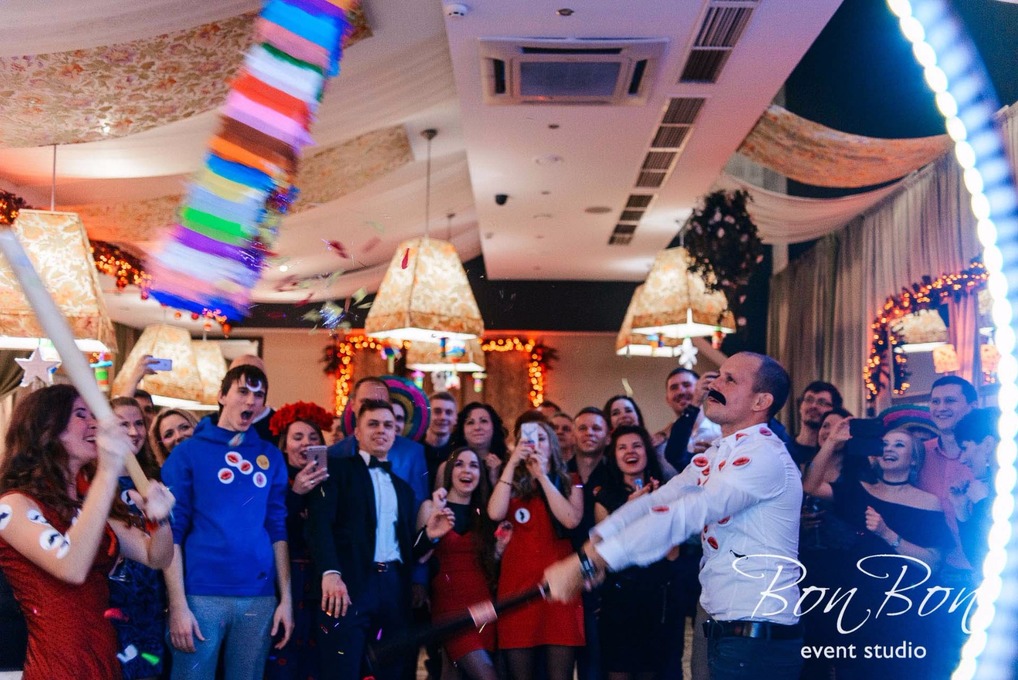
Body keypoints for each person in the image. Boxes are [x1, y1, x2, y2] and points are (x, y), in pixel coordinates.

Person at [543, 352, 803, 680]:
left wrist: (590, 561)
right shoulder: (719, 451)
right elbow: (660, 500)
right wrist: (596, 543)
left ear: (760, 401)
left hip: (757, 634)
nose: (715, 384)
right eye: (718, 375)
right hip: (727, 627)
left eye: (730, 380)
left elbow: (684, 514)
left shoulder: (763, 456)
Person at [0, 385, 175, 679]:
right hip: (58, 666)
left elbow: (155, 556)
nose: (96, 424)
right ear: (46, 429)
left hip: (104, 659)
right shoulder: (12, 505)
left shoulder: (88, 505)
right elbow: (71, 567)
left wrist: (160, 519)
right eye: (81, 415)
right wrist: (107, 471)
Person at [162, 365, 293, 679]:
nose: (250, 401)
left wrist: (286, 599)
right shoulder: (187, 453)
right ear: (222, 396)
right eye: (242, 391)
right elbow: (171, 533)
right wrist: (177, 604)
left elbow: (277, 528)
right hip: (200, 596)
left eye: (258, 395)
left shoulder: (271, 456)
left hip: (259, 597)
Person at [307, 400, 448, 680]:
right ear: (357, 432)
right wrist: (330, 572)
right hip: (349, 584)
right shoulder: (335, 471)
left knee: (394, 670)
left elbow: (404, 549)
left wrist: (429, 536)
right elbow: (318, 525)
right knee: (342, 667)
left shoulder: (404, 489)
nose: (381, 430)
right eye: (373, 424)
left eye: (388, 425)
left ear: (395, 433)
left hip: (394, 587)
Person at [804, 424, 954, 677]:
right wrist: (831, 442)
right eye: (884, 444)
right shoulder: (859, 490)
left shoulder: (929, 503)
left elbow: (933, 563)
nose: (889, 449)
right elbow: (810, 485)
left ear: (914, 459)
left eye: (899, 445)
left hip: (906, 609)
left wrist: (887, 534)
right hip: (859, 606)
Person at [489, 420, 584, 680]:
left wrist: (542, 476)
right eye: (528, 438)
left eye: (542, 438)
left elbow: (571, 520)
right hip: (517, 589)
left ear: (552, 445)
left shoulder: (572, 481)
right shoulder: (510, 483)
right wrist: (512, 463)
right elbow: (495, 513)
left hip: (558, 589)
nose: (535, 444)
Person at [593, 425, 675, 680]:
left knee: (651, 671)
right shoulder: (605, 497)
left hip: (655, 596)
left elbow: (672, 553)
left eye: (637, 446)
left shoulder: (665, 492)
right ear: (614, 456)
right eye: (622, 447)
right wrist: (629, 510)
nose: (630, 452)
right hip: (618, 598)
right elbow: (604, 552)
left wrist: (655, 510)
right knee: (618, 670)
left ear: (647, 452)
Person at [417, 448, 501, 680]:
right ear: (449, 472)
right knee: (487, 675)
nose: (467, 470)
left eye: (473, 465)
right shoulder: (431, 507)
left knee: (452, 674)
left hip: (484, 607)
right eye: (459, 464)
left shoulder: (485, 512)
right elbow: (419, 557)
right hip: (450, 609)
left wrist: (500, 550)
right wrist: (434, 523)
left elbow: (489, 564)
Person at [265, 401, 334, 680]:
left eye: (313, 437)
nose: (306, 443)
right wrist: (296, 495)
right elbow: (273, 529)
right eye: (298, 437)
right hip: (284, 577)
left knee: (317, 658)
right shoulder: (273, 479)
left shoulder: (331, 481)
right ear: (285, 445)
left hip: (322, 580)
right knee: (283, 651)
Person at [109, 397, 170, 680]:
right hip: (110, 597)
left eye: (139, 423)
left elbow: (168, 549)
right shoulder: (90, 481)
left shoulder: (153, 478)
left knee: (149, 667)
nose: (134, 432)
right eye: (123, 424)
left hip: (149, 595)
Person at [566, 407, 610, 680]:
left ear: (607, 436)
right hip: (564, 571)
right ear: (573, 434)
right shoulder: (561, 473)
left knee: (595, 662)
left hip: (602, 578)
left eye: (596, 428)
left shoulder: (614, 475)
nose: (589, 433)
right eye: (582, 428)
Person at [950, 407, 999, 570]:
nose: (962, 459)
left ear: (988, 444)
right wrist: (961, 510)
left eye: (965, 448)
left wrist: (982, 502)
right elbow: (977, 559)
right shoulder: (988, 487)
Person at [447, 403, 509, 488]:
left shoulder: (509, 464)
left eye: (483, 421)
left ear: (494, 427)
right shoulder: (450, 464)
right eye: (470, 422)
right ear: (462, 431)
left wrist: (494, 478)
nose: (477, 427)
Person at [788, 381, 842, 468]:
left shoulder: (835, 455)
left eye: (822, 402)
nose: (813, 406)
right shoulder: (783, 448)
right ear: (800, 407)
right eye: (809, 400)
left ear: (834, 411)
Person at [424, 392, 458, 484]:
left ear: (455, 418)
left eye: (448, 412)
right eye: (437, 411)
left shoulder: (460, 451)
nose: (443, 417)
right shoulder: (414, 449)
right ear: (426, 415)